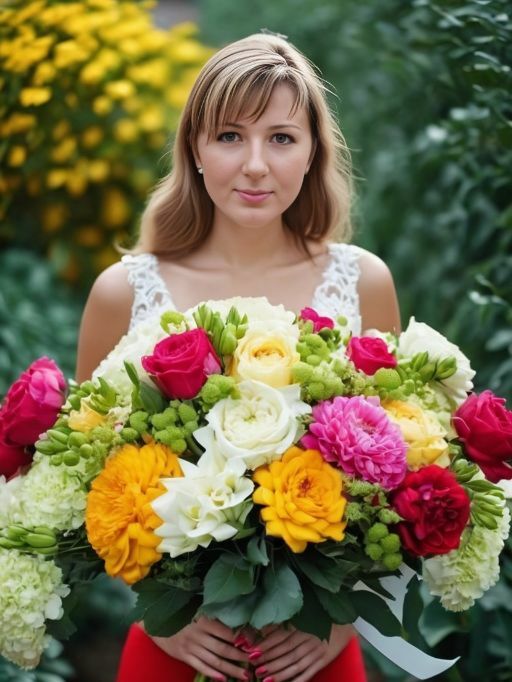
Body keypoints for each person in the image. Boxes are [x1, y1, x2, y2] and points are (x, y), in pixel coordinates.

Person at [76, 32, 400, 682]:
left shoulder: (364, 282)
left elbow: (401, 474)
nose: (255, 165)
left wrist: (340, 624)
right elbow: (84, 485)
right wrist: (165, 622)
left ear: (312, 153)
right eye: (229, 136)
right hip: (176, 651)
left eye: (281, 138)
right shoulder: (123, 292)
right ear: (195, 149)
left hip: (313, 655)